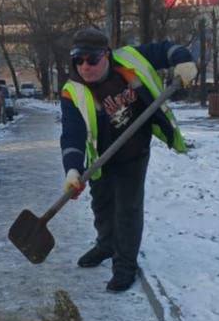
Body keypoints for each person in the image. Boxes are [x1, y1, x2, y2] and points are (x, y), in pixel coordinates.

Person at [59, 27, 197, 292]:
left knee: (127, 210)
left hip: (134, 151)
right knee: (101, 205)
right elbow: (72, 134)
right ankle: (106, 244)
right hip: (101, 156)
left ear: (107, 56)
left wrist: (184, 59)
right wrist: (73, 170)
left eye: (92, 59)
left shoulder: (131, 59)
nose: (85, 66)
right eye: (79, 60)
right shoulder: (72, 91)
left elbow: (166, 49)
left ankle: (125, 266)